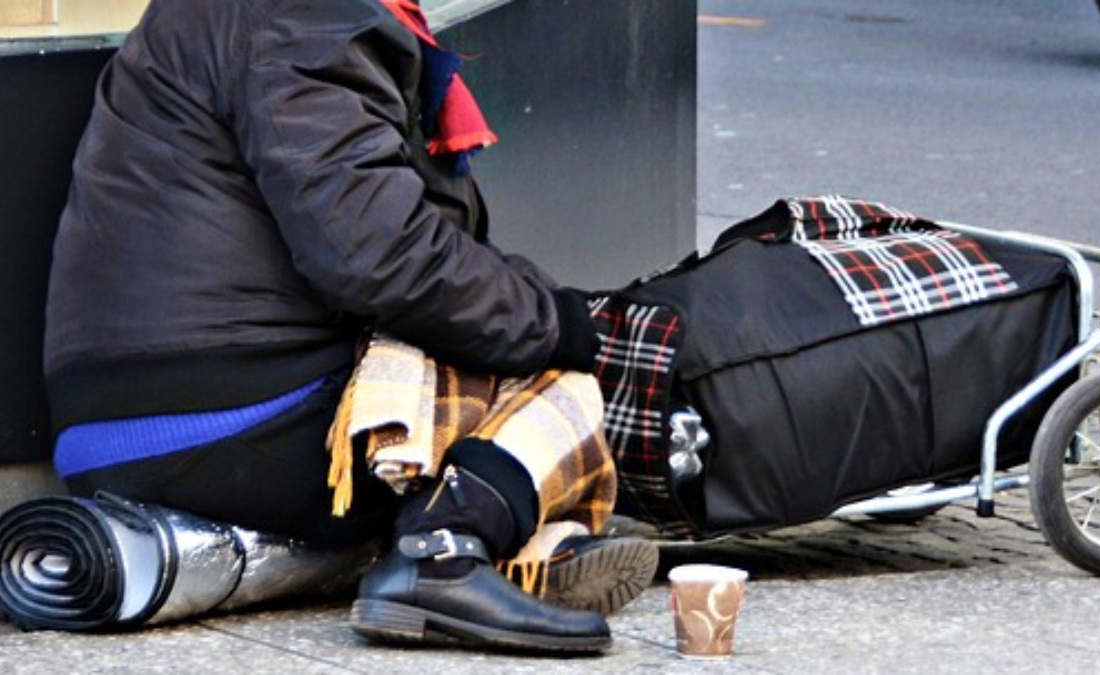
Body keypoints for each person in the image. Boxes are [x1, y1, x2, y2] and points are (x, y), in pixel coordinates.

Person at [43, 0, 654, 653]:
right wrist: (561, 321)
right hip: (225, 417)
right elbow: (382, 259)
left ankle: (526, 547)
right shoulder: (297, 16)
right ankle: (439, 553)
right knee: (559, 385)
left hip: (126, 417)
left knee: (498, 343)